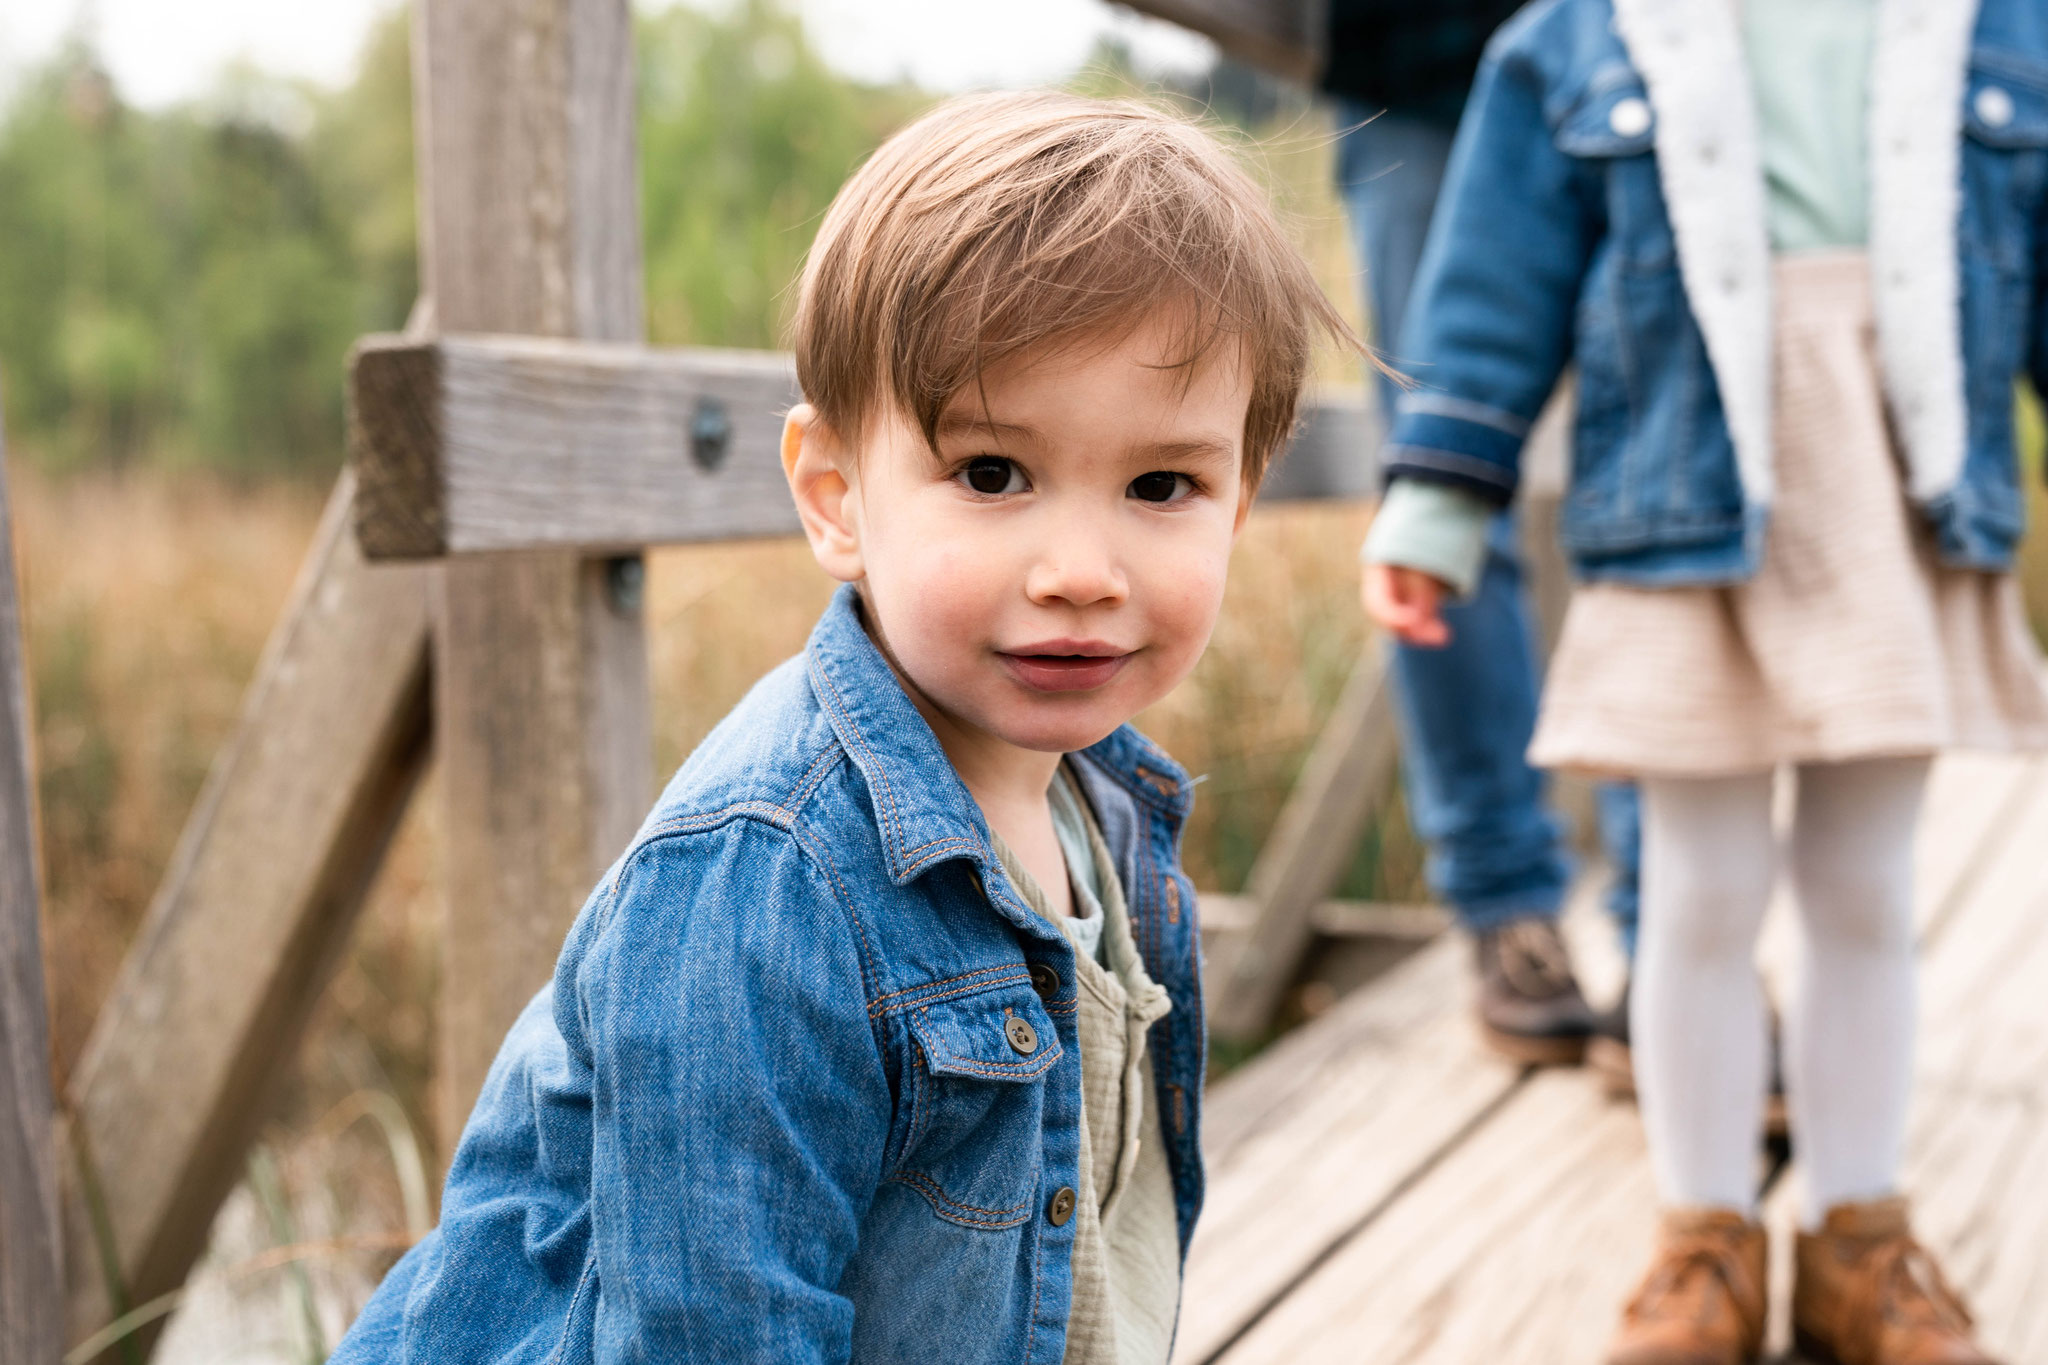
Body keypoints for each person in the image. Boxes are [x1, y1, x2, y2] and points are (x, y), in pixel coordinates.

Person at [327, 91, 1358, 1363]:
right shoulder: (764, 886)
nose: (1081, 569)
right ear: (834, 497)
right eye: (991, 474)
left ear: (1238, 501)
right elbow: (712, 1338)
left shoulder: (1095, 799)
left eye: (1161, 486)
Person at [1360, 0, 2043, 1361]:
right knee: (1700, 887)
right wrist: (1439, 500)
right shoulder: (1576, 37)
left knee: (1866, 883)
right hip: (1681, 505)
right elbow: (1495, 280)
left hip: (1892, 494)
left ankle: (1860, 1231)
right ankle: (1705, 1235)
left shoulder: (2005, 29)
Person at [1322, 0, 1643, 1069]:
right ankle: (1507, 909)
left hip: (1652, 64)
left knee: (1658, 491)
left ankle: (1671, 935)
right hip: (1422, 72)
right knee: (1441, 498)